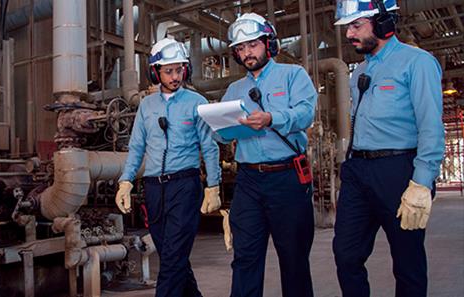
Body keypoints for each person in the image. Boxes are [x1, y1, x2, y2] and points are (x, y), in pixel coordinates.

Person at [333, 1, 445, 297]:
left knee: (407, 262)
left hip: (398, 170)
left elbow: (430, 125)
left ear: (383, 23)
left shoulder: (417, 62)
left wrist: (421, 182)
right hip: (358, 170)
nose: (349, 35)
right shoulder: (359, 72)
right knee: (346, 254)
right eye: (347, 27)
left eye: (356, 26)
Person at [220, 12, 318, 297]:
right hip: (249, 181)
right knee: (245, 258)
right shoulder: (234, 89)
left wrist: (272, 118)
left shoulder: (293, 75)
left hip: (287, 177)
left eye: (252, 45)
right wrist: (218, 127)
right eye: (240, 48)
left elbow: (305, 113)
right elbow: (223, 132)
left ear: (268, 43)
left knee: (294, 259)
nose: (247, 53)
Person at [115, 37, 221, 297]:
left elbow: (209, 146)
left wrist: (214, 185)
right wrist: (125, 181)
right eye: (168, 71)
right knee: (173, 257)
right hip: (154, 190)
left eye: (179, 69)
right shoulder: (146, 107)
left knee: (172, 259)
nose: (175, 76)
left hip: (185, 186)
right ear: (155, 72)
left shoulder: (197, 102)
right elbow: (137, 147)